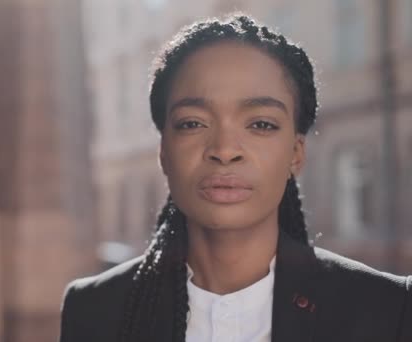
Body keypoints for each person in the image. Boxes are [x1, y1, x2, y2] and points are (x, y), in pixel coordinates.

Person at [59, 15, 412, 342]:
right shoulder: (94, 308)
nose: (225, 150)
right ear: (164, 152)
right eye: (192, 123)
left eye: (261, 124)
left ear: (296, 153)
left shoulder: (386, 308)